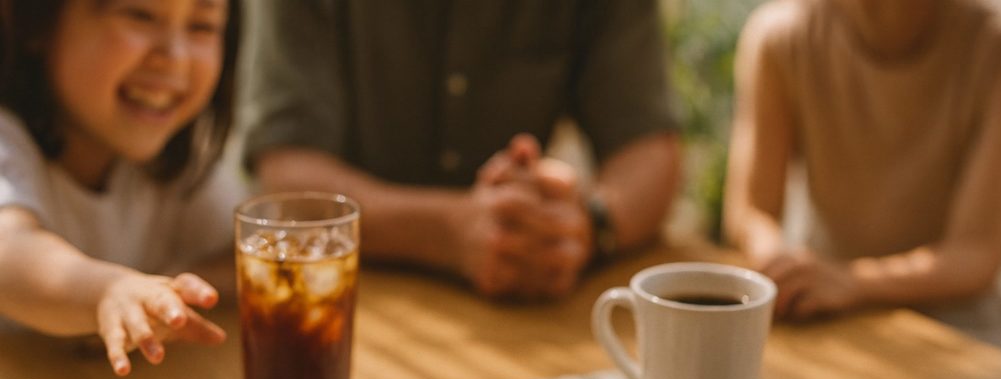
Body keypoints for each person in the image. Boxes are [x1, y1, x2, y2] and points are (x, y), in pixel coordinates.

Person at [241, 1, 682, 300]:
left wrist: (585, 225)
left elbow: (650, 151)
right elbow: (287, 172)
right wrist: (448, 232)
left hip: (530, 308)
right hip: (343, 297)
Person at [724, 0, 1001, 352]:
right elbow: (751, 210)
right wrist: (778, 268)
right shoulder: (780, 37)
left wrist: (852, 282)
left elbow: (975, 254)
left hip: (960, 327)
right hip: (825, 312)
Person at [0, 0, 245, 375]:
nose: (175, 57)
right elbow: (10, 252)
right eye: (140, 15)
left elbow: (244, 257)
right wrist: (106, 292)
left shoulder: (177, 159)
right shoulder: (7, 138)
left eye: (202, 26)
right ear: (37, 25)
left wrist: (170, 294)